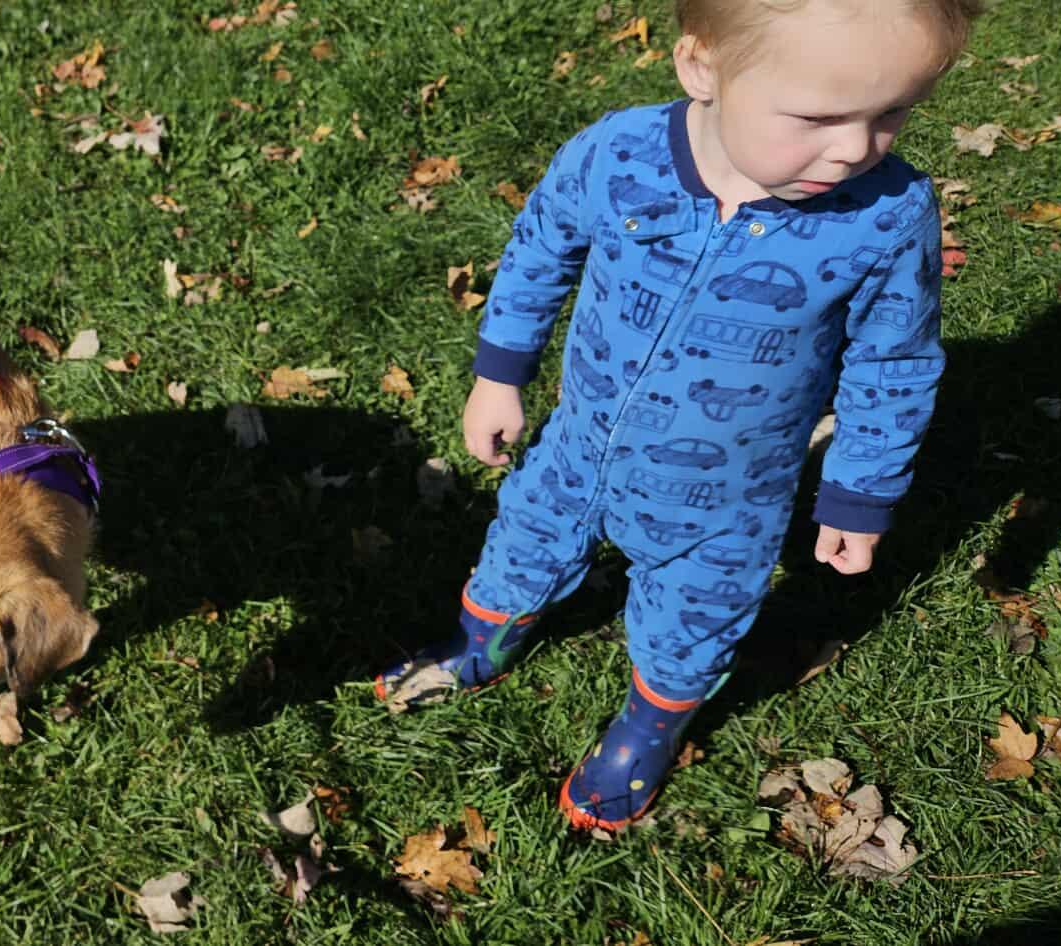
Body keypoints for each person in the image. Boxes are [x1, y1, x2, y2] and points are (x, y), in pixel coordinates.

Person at [374, 0, 983, 832]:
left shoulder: (886, 214)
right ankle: (485, 640)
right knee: (519, 543)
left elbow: (894, 362)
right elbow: (542, 245)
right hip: (575, 447)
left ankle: (646, 730)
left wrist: (857, 495)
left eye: (891, 113)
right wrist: (500, 374)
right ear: (703, 69)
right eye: (817, 116)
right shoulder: (621, 153)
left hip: (728, 496)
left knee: (693, 622)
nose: (852, 149)